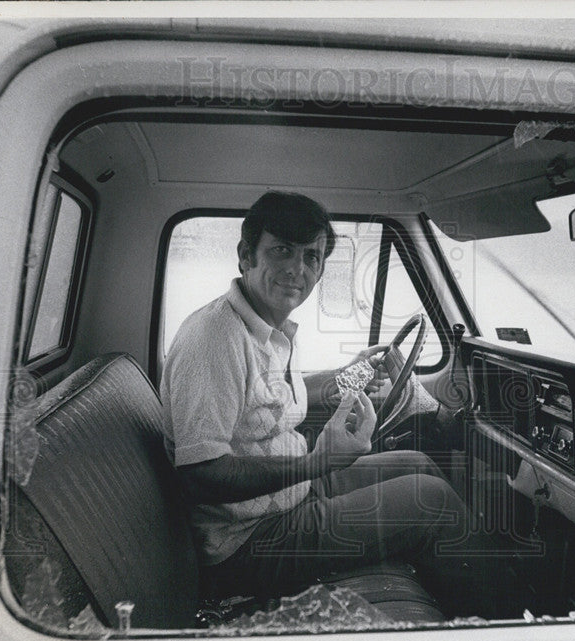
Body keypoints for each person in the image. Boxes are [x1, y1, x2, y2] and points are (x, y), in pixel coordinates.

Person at [160, 191, 485, 617]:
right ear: (245, 256)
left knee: (417, 464)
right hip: (248, 543)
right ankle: (511, 627)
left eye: (311, 257)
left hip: (290, 496)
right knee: (433, 500)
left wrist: (345, 377)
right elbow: (199, 476)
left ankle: (466, 594)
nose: (298, 269)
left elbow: (268, 397)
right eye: (282, 251)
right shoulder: (215, 337)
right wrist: (317, 462)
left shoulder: (266, 328)